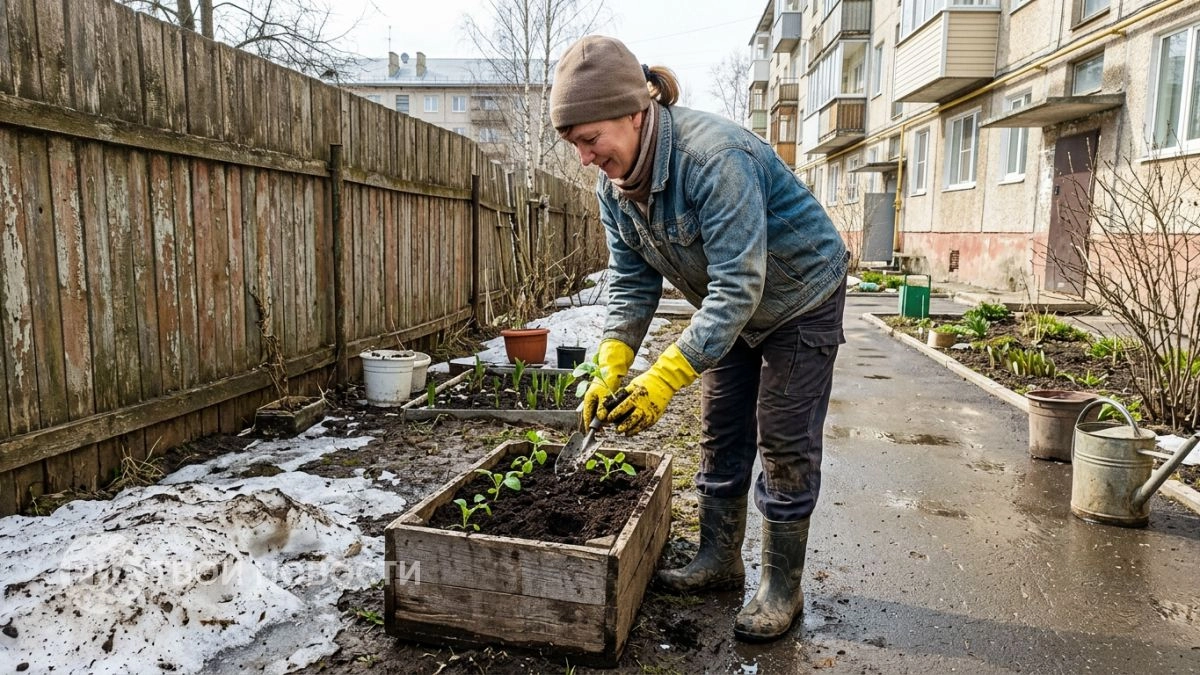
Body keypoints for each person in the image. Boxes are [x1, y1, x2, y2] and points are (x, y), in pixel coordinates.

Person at [550, 35, 849, 642]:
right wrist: (611, 366)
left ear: (634, 113)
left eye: (589, 140)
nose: (584, 159)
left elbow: (739, 285)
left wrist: (663, 375)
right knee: (721, 428)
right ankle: (718, 560)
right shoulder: (615, 189)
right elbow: (633, 285)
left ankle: (781, 588)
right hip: (732, 309)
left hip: (800, 298)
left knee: (784, 437)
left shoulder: (714, 159)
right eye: (574, 145)